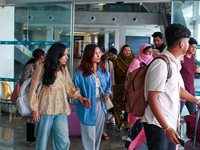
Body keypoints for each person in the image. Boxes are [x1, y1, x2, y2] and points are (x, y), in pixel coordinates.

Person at [142, 24, 200, 150]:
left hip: (169, 123)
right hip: (158, 125)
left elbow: (177, 89)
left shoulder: (173, 63)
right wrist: (166, 128)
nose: (189, 44)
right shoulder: (161, 64)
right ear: (181, 43)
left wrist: (197, 101)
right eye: (188, 41)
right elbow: (152, 99)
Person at [29, 42, 90, 150]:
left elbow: (69, 86)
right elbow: (33, 89)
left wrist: (79, 97)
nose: (67, 57)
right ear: (57, 54)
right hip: (44, 110)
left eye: (67, 54)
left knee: (64, 141)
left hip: (61, 109)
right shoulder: (41, 68)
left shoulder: (63, 69)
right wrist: (34, 109)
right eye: (64, 54)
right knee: (41, 142)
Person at [74, 44, 112, 150]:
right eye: (95, 53)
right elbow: (75, 90)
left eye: (99, 52)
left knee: (98, 134)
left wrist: (108, 93)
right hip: (87, 106)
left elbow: (108, 86)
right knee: (88, 135)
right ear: (88, 54)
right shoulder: (80, 72)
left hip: (101, 104)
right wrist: (80, 98)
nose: (98, 55)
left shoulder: (104, 70)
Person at [126, 43, 153, 150]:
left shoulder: (152, 61)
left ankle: (143, 141)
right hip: (136, 95)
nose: (150, 55)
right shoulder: (136, 62)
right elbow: (129, 80)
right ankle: (135, 139)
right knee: (137, 119)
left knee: (145, 120)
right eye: (148, 52)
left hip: (147, 95)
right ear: (142, 52)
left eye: (151, 53)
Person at [19, 48, 45, 147]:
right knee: (30, 119)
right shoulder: (30, 66)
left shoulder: (40, 66)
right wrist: (33, 85)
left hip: (39, 95)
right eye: (44, 55)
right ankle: (30, 140)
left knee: (36, 117)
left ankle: (37, 138)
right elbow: (24, 81)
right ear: (41, 56)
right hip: (31, 94)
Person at [113, 44, 135, 132]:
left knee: (128, 106)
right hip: (118, 86)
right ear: (122, 51)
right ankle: (118, 124)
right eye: (125, 50)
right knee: (117, 107)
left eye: (129, 50)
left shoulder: (134, 61)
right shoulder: (116, 61)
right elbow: (113, 75)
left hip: (129, 87)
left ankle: (127, 124)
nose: (127, 52)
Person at [99, 44, 115, 141]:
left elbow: (111, 79)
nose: (97, 54)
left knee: (105, 113)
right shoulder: (91, 63)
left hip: (105, 92)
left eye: (99, 52)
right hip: (94, 92)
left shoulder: (108, 63)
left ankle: (103, 131)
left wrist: (111, 92)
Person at [180, 38, 200, 114]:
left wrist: (197, 72)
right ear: (187, 46)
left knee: (194, 117)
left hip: (192, 93)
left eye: (195, 47)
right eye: (192, 46)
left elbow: (190, 73)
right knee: (176, 117)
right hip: (182, 94)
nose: (194, 49)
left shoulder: (194, 59)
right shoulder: (182, 58)